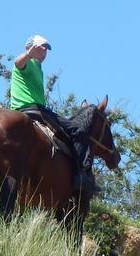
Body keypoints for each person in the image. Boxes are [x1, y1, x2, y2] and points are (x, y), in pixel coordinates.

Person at [10, 34, 94, 191]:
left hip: (34, 108)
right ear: (30, 47)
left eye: (47, 48)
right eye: (41, 47)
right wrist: (28, 54)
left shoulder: (38, 67)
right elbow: (17, 63)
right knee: (77, 130)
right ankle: (81, 175)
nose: (45, 51)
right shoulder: (28, 62)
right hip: (33, 109)